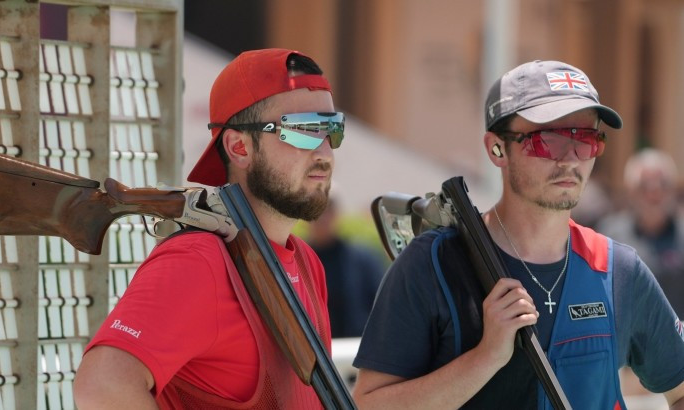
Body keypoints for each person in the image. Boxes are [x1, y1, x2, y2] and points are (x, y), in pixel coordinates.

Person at [352, 60, 684, 409]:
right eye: (550, 140)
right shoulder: (432, 263)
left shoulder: (619, 270)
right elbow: (368, 404)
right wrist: (486, 357)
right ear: (497, 148)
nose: (571, 158)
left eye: (585, 139)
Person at [73, 48, 345, 409]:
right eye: (304, 130)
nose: (325, 153)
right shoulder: (198, 261)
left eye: (332, 129)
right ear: (238, 147)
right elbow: (101, 388)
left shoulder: (308, 263)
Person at [597, 148, 684, 317]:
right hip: (627, 339)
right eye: (645, 185)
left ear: (674, 189)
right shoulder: (609, 235)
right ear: (630, 190)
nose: (654, 193)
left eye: (663, 184)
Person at [307, 196, 386, 338]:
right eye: (315, 210)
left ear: (336, 215)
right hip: (313, 353)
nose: (322, 217)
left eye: (328, 210)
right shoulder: (297, 261)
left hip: (356, 349)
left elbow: (385, 306)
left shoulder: (363, 258)